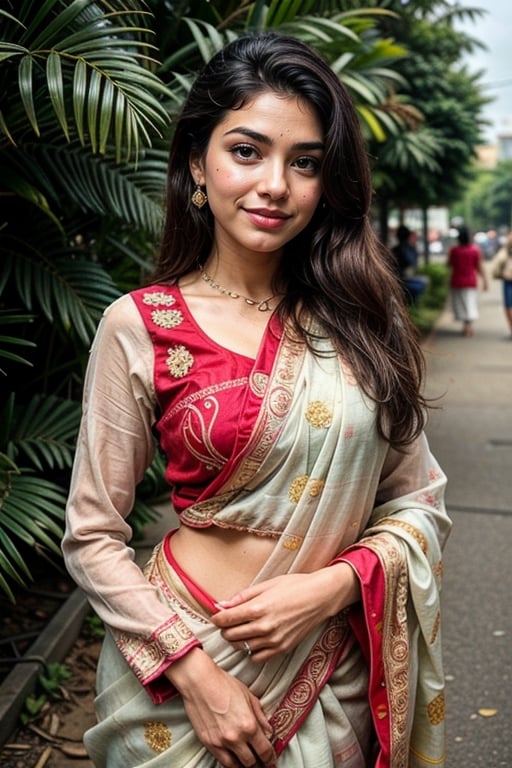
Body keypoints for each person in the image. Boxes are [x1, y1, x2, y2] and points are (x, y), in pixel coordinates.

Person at [62, 32, 451, 768]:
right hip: (178, 682)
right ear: (196, 167)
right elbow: (91, 534)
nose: (276, 183)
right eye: (247, 151)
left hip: (329, 669)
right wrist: (195, 673)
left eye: (304, 163)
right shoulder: (140, 326)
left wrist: (335, 588)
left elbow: (419, 500)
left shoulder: (366, 324)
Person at [447, 225, 489, 337]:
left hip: (457, 281)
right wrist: (485, 281)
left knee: (461, 304)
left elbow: (449, 264)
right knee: (470, 304)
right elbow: (479, 267)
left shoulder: (454, 250)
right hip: (470, 281)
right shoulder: (475, 250)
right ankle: (468, 326)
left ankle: (465, 326)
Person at [391, 225, 427, 304]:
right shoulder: (407, 249)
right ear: (408, 236)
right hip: (403, 280)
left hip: (400, 279)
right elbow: (412, 263)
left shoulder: (397, 249)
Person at [491, 232, 512, 337]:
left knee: (508, 305)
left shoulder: (506, 245)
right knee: (508, 305)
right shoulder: (506, 249)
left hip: (507, 278)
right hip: (507, 279)